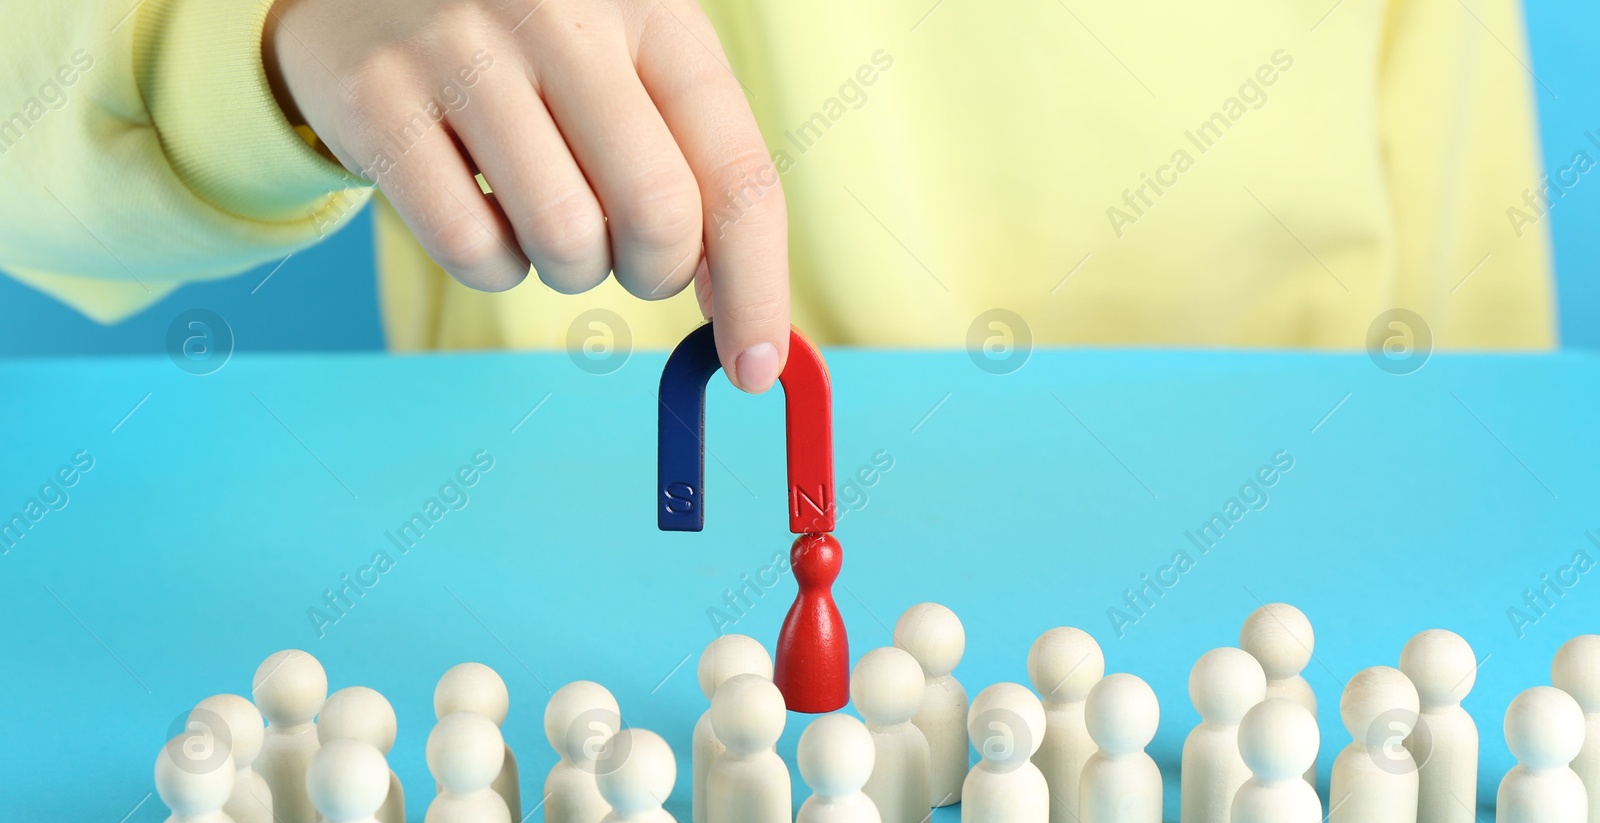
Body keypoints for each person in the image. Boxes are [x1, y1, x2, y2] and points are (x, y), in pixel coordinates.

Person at [0, 0, 1556, 391]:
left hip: (1287, 482)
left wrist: (1470, 403)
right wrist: (256, 47)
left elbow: (1448, 96)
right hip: (578, 522)